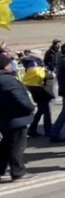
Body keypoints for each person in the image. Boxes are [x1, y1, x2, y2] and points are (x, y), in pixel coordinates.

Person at [0, 52, 36, 182]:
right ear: (5, 66)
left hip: (4, 118)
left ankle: (1, 170)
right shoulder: (9, 80)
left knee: (5, 145)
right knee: (17, 146)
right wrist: (30, 108)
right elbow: (20, 98)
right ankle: (18, 172)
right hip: (15, 118)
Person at [21, 49, 56, 138]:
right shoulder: (34, 64)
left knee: (40, 110)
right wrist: (52, 74)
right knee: (47, 111)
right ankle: (48, 130)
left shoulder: (28, 62)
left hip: (34, 89)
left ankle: (32, 128)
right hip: (41, 89)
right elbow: (42, 74)